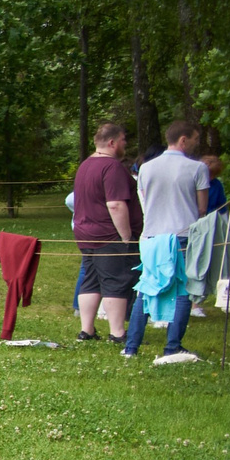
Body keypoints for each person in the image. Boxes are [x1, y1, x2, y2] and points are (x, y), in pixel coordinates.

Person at [128, 119, 211, 363]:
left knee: (146, 288)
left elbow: (145, 199)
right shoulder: (197, 168)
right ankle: (173, 345)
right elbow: (202, 208)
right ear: (183, 140)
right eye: (195, 139)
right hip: (182, 234)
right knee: (183, 290)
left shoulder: (146, 168)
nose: (196, 144)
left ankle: (131, 346)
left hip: (152, 235)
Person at [69, 122, 140, 343]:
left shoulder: (85, 165)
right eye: (123, 140)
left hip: (85, 232)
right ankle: (117, 332)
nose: (125, 144)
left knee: (91, 280)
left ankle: (87, 329)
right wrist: (126, 236)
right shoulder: (112, 167)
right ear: (112, 142)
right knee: (115, 280)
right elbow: (115, 204)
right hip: (108, 234)